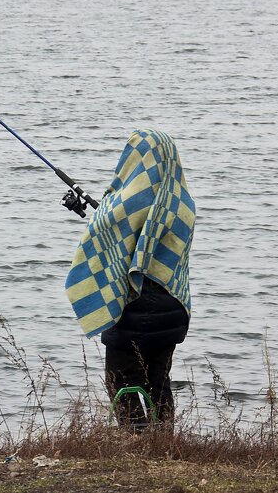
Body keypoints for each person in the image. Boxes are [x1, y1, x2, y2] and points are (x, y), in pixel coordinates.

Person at [64, 129, 196, 429]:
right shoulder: (182, 202)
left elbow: (107, 231)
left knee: (120, 381)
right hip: (173, 304)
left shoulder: (129, 200)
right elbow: (138, 237)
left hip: (136, 303)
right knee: (158, 382)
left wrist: (87, 209)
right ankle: (163, 442)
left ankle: (135, 443)